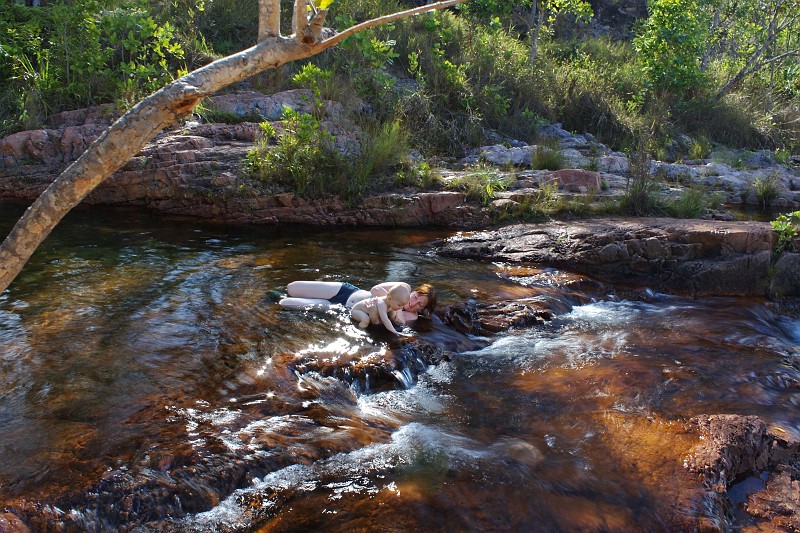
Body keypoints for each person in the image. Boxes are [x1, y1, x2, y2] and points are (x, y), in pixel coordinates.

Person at [279, 281, 437, 324]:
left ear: (422, 310)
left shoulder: (413, 317)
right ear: (414, 291)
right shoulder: (402, 288)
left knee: (285, 302)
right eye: (416, 297)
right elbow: (375, 289)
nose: (413, 304)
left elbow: (398, 323)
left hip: (343, 309)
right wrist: (396, 302)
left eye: (420, 305)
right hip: (348, 291)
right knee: (292, 287)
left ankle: (272, 297)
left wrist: (395, 310)